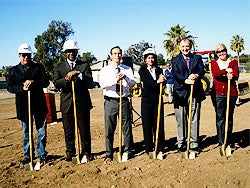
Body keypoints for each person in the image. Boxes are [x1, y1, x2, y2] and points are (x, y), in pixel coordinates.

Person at [7, 43, 49, 166]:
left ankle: (41, 154)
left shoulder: (38, 68)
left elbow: (45, 82)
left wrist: (33, 82)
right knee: (26, 132)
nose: (26, 58)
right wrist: (22, 88)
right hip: (23, 106)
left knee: (41, 131)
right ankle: (28, 155)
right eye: (24, 55)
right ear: (19, 56)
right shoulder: (13, 71)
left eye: (29, 55)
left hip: (39, 104)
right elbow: (10, 87)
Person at [53, 39, 93, 162]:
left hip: (82, 102)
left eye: (73, 51)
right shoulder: (59, 67)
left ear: (77, 52)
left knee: (84, 129)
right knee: (68, 130)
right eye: (69, 51)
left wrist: (78, 73)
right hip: (67, 103)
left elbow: (89, 80)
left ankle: (86, 152)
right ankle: (70, 152)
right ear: (65, 52)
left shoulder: (84, 65)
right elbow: (56, 83)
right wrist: (66, 78)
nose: (71, 53)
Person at [99, 46, 136, 161]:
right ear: (111, 55)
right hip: (111, 101)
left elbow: (133, 84)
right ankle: (109, 152)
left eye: (119, 53)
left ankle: (127, 150)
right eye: (115, 53)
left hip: (123, 100)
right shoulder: (105, 70)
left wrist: (125, 78)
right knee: (109, 128)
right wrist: (115, 80)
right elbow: (103, 84)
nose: (117, 56)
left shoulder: (127, 69)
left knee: (126, 127)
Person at [171, 38, 206, 153]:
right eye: (183, 46)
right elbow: (175, 73)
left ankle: (194, 143)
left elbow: (201, 70)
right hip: (180, 93)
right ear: (179, 47)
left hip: (194, 92)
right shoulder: (175, 59)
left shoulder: (197, 58)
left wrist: (196, 75)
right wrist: (185, 80)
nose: (185, 48)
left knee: (194, 118)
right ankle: (181, 143)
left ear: (190, 46)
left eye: (187, 46)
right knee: (181, 119)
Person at [138, 48, 166, 155]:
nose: (151, 60)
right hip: (147, 99)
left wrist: (163, 80)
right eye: (148, 58)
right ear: (145, 60)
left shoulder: (159, 70)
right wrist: (157, 81)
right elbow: (148, 83)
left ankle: (160, 146)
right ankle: (149, 147)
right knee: (147, 123)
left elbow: (162, 83)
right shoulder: (142, 71)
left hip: (158, 98)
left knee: (158, 122)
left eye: (152, 57)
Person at [211, 44, 238, 148]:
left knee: (229, 117)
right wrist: (226, 70)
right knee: (220, 117)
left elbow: (236, 75)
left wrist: (231, 75)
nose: (221, 53)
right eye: (218, 52)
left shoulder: (233, 62)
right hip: (219, 94)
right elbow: (216, 74)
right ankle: (221, 140)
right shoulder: (214, 63)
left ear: (226, 51)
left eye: (223, 51)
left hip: (231, 93)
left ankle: (229, 139)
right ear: (216, 54)